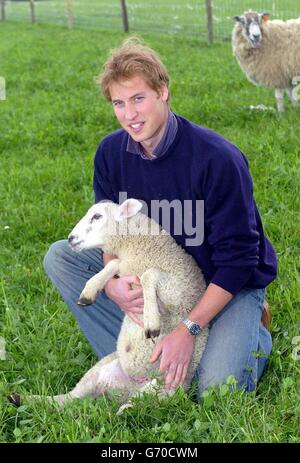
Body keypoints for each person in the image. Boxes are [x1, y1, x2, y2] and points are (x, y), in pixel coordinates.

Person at [44, 38, 277, 398]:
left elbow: (240, 258)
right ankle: (144, 358)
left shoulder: (217, 160)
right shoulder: (110, 154)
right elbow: (110, 233)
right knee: (61, 257)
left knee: (215, 391)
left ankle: (248, 329)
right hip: (153, 274)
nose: (130, 115)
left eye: (138, 98)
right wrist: (111, 283)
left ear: (163, 91)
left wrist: (189, 328)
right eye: (119, 103)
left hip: (223, 283)